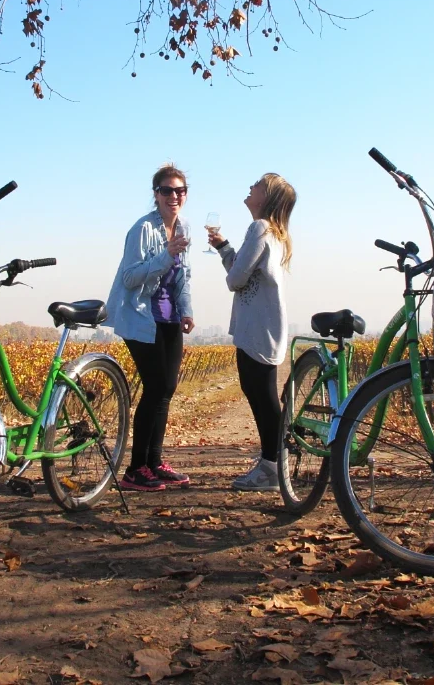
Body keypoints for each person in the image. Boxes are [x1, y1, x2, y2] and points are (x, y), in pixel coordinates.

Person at [105, 164, 195, 492]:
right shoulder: (142, 229)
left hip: (170, 318)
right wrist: (164, 256)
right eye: (167, 190)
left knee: (167, 388)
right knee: (155, 387)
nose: (174, 196)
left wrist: (186, 310)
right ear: (155, 194)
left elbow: (183, 275)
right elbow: (129, 277)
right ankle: (135, 469)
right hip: (141, 317)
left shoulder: (183, 227)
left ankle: (154, 463)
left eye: (180, 190)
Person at [207, 173, 296, 492]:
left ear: (267, 197)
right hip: (267, 325)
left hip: (256, 328)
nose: (250, 188)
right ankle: (273, 463)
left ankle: (273, 467)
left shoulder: (259, 228)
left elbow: (235, 279)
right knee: (263, 395)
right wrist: (223, 247)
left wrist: (229, 260)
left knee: (263, 398)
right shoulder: (274, 234)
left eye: (256, 185)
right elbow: (241, 269)